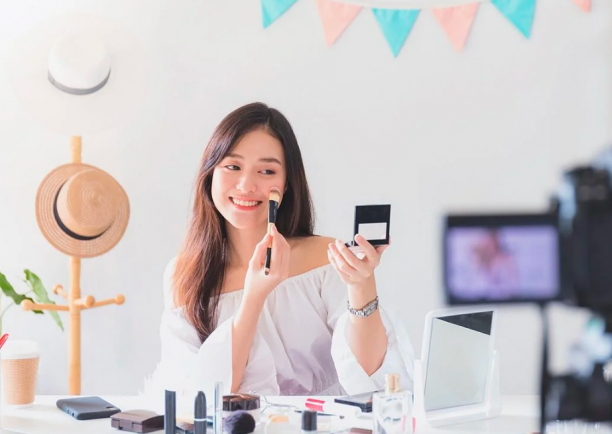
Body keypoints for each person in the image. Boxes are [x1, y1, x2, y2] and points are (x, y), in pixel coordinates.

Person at [143, 103, 414, 404]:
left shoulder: (326, 258)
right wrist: (254, 296)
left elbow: (371, 376)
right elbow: (203, 398)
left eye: (267, 171)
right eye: (232, 166)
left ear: (285, 186)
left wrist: (361, 285)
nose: (247, 185)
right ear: (210, 175)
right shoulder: (184, 275)